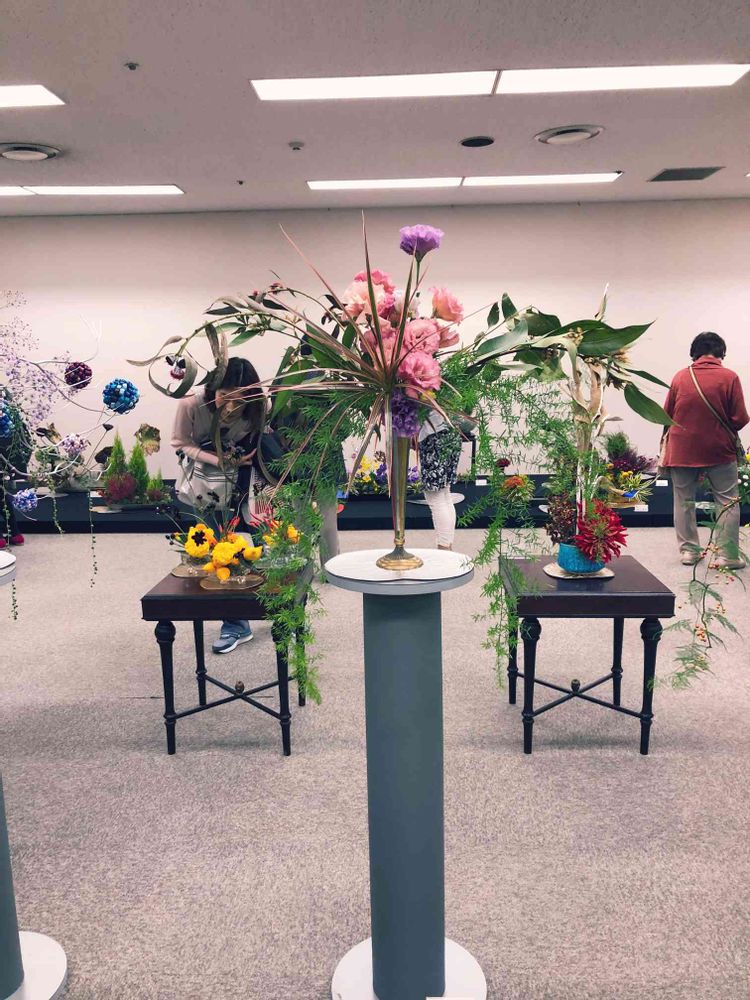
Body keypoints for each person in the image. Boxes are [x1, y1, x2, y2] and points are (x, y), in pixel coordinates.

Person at [171, 357, 267, 653]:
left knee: (264, 545)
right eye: (225, 395)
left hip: (248, 481)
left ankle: (276, 609)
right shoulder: (191, 405)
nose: (231, 405)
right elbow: (180, 443)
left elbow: (263, 435)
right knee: (218, 551)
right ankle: (235, 624)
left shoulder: (259, 406)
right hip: (206, 486)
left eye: (240, 398)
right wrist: (218, 460)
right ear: (213, 388)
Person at [661, 332, 748, 568]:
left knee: (683, 500)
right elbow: (740, 418)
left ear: (694, 353)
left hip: (682, 449)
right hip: (719, 448)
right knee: (727, 500)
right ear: (721, 353)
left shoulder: (680, 376)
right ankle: (727, 556)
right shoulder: (729, 377)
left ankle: (689, 552)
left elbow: (666, 414)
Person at [419, 410, 463, 550]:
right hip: (450, 432)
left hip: (435, 436)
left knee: (436, 498)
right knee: (444, 495)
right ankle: (447, 546)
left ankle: (444, 548)